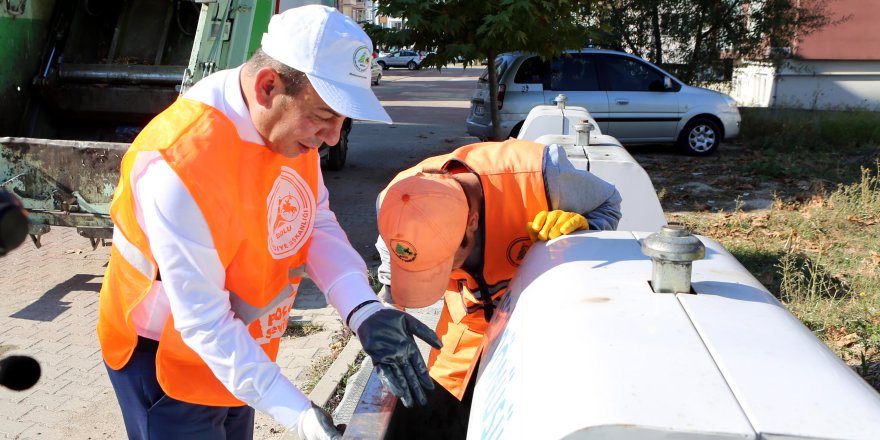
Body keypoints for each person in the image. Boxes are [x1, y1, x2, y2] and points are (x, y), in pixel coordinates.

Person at [97, 6, 440, 440]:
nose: (334, 137)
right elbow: (205, 323)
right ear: (267, 87)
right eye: (324, 115)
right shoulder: (180, 165)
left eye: (342, 118)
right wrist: (296, 413)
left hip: (242, 352)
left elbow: (314, 220)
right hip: (168, 361)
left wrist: (363, 308)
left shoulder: (290, 129)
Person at [374, 139, 621, 435]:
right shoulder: (396, 205)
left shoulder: (542, 176)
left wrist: (584, 231)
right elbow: (390, 291)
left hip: (539, 328)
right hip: (463, 334)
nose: (444, 275)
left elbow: (609, 203)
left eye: (445, 265)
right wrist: (383, 322)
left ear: (472, 223)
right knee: (438, 417)